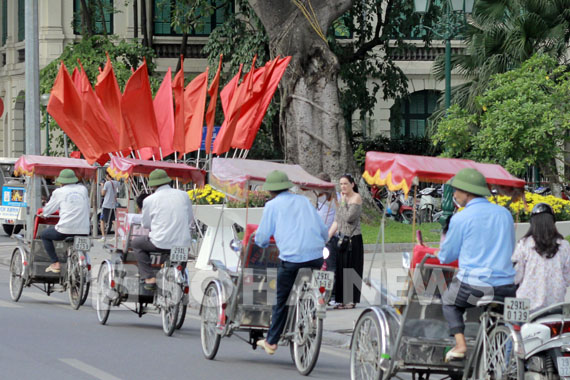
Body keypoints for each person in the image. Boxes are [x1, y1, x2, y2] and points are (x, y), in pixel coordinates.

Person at [436, 168, 516, 362]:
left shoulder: (461, 217)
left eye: (456, 190)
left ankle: (460, 344)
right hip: (507, 285)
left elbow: (446, 256)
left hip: (474, 284)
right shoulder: (504, 214)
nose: (454, 194)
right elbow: (511, 247)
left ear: (467, 192)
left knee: (449, 302)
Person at [254, 170, 328, 355]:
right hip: (316, 256)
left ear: (271, 191)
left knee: (281, 299)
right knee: (310, 287)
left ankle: (271, 342)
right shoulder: (304, 201)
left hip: (291, 259)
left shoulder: (272, 205)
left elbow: (262, 237)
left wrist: (259, 241)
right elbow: (323, 231)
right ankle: (309, 317)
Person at [132, 169, 193, 290]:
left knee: (136, 243)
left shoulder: (149, 200)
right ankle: (180, 273)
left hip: (160, 242)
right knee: (181, 254)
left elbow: (146, 224)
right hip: (183, 242)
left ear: (153, 184)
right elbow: (190, 218)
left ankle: (149, 277)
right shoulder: (184, 195)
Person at [512, 202, 570, 312]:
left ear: (532, 223)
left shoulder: (524, 244)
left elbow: (516, 276)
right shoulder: (564, 246)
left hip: (526, 306)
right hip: (555, 305)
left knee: (514, 328)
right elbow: (567, 278)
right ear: (553, 222)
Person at [40, 169, 90, 273]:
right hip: (84, 229)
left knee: (44, 235)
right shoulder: (83, 189)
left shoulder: (59, 192)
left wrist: (44, 213)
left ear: (61, 181)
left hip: (65, 230)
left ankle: (55, 263)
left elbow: (49, 209)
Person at [327, 174, 363, 309]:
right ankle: (342, 299)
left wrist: (341, 202)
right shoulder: (342, 200)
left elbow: (348, 217)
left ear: (352, 184)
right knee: (341, 267)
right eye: (341, 184)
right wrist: (328, 236)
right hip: (342, 238)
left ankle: (351, 299)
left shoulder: (356, 198)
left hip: (353, 238)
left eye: (346, 184)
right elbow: (337, 220)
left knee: (350, 268)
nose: (343, 186)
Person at [99, 173, 119, 242]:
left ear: (107, 176)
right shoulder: (116, 183)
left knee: (102, 220)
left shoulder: (107, 183)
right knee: (113, 220)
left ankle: (103, 237)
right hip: (113, 204)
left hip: (106, 204)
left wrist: (102, 186)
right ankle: (116, 236)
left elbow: (103, 193)